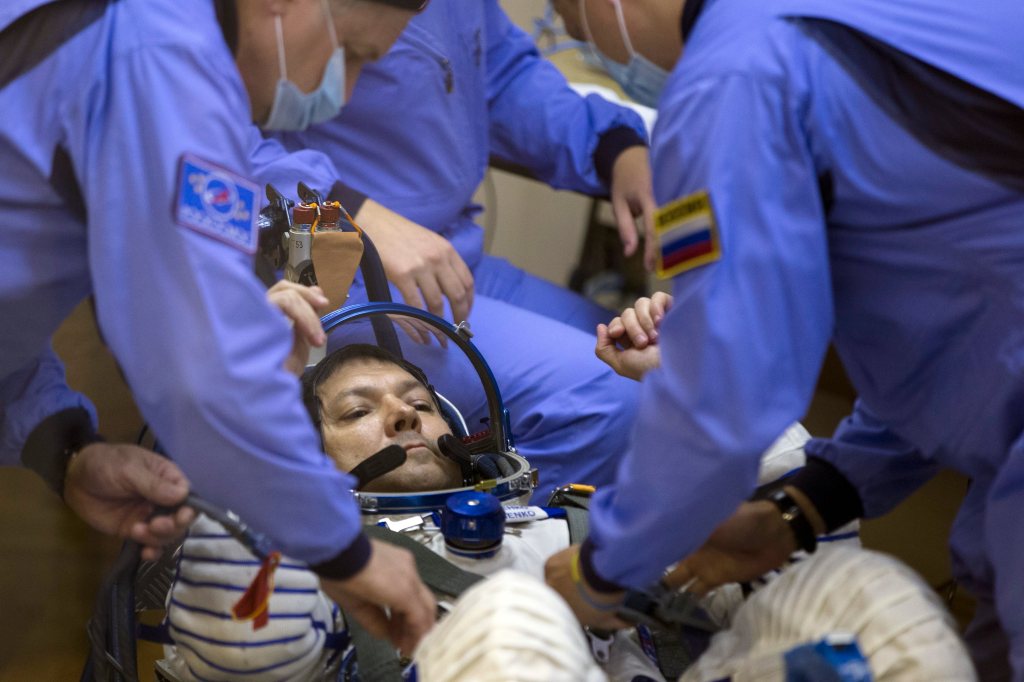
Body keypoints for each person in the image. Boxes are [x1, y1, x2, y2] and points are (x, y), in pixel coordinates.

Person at [543, 0, 1024, 679]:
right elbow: (949, 319)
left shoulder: (727, 82)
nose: (572, 34)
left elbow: (725, 392)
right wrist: (803, 507)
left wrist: (602, 567)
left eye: (570, 14)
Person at [0, 0, 436, 654]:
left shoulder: (157, 54)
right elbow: (204, 365)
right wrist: (344, 553)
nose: (341, 92)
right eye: (349, 52)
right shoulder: (162, 59)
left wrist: (60, 444)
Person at [163, 341, 822, 681]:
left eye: (417, 402)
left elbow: (796, 577)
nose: (401, 414)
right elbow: (243, 661)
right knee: (508, 624)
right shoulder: (310, 575)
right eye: (358, 411)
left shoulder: (590, 528)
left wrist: (692, 380)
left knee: (848, 592)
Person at [252, 0, 659, 497]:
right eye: (352, 55)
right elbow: (205, 143)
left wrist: (613, 147)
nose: (353, 80)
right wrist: (345, 210)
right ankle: (457, 548)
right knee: (611, 401)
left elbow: (503, 72)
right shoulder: (213, 36)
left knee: (655, 361)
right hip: (332, 272)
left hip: (450, 254)